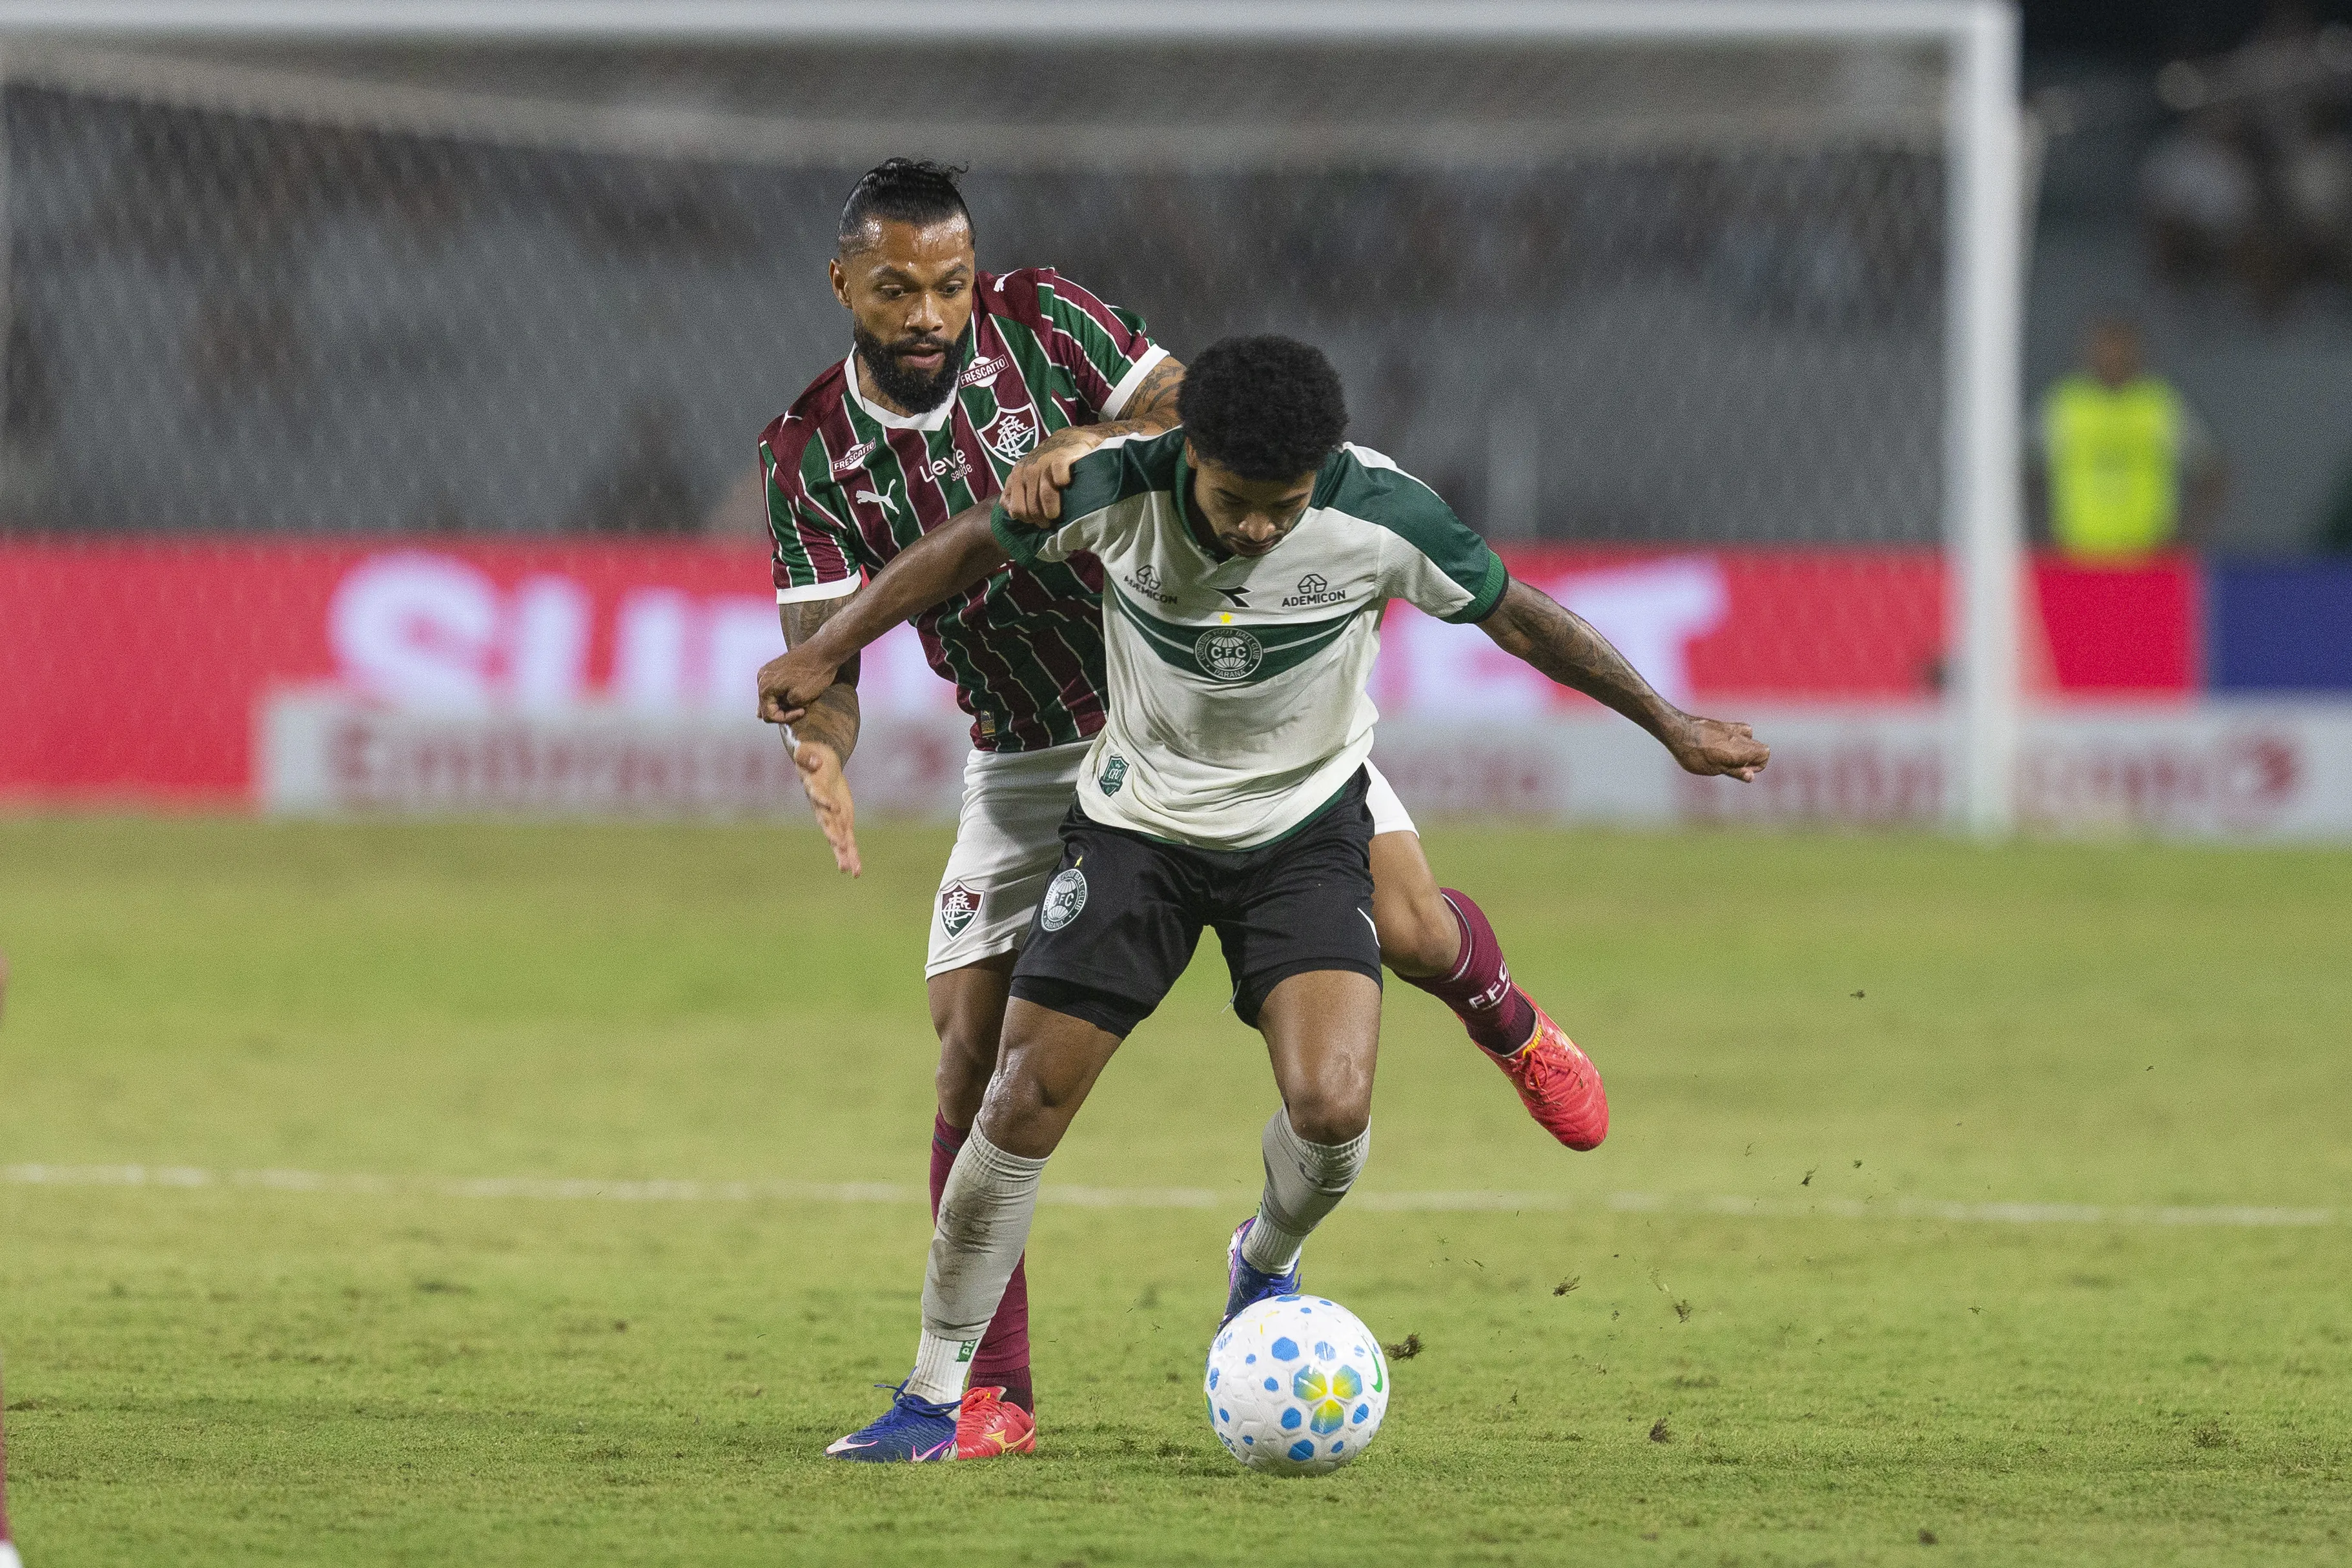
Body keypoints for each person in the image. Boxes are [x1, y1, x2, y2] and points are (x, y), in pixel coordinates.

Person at [760, 336, 1771, 1461]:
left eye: (1281, 506)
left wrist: (1670, 723)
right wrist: (833, 648)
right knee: (1018, 1093)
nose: (1255, 529)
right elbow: (955, 551)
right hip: (1135, 829)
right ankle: (937, 1391)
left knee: (1334, 1105)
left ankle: (1266, 1255)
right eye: (1235, 502)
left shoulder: (1380, 512)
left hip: (1300, 833)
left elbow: (1520, 615)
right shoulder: (1117, 487)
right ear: (1187, 451)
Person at [2029, 317, 2225, 560]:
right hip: (2076, 557)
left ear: (2138, 352)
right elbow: (2027, 472)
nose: (2114, 357)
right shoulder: (2065, 403)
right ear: (2088, 351)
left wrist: (2184, 540)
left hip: (2148, 558)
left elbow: (2212, 473)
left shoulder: (2159, 403)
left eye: (2122, 349)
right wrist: (2040, 538)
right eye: (2106, 348)